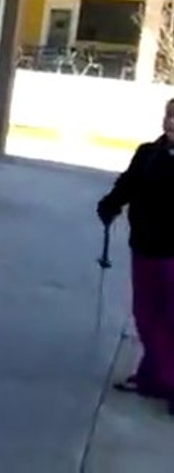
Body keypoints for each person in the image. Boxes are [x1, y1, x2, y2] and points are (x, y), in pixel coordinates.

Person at [97, 97, 174, 413]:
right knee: (147, 315)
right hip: (144, 247)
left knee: (170, 318)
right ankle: (153, 377)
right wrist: (111, 204)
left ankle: (168, 381)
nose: (170, 122)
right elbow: (128, 184)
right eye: (169, 115)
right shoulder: (147, 153)